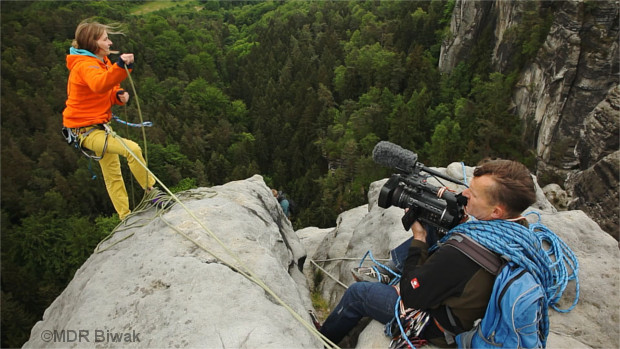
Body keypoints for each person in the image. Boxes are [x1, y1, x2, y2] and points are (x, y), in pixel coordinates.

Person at [319, 159, 537, 347]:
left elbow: (411, 295)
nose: (464, 195)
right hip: (470, 300)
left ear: (496, 211)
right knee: (441, 225)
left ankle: (323, 339)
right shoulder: (519, 235)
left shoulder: (460, 254)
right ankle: (389, 272)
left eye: (475, 195)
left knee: (358, 294)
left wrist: (419, 238)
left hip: (440, 327)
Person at [63, 19, 157, 220]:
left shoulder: (100, 62)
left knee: (112, 173)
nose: (110, 43)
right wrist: (121, 66)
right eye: (106, 39)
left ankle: (125, 217)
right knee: (132, 149)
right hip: (87, 132)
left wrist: (117, 95)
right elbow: (99, 84)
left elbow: (105, 89)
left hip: (95, 128)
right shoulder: (85, 66)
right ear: (94, 43)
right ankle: (152, 193)